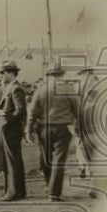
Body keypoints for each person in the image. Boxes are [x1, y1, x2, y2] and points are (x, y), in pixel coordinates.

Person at [26, 63, 80, 201]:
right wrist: (79, 127)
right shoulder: (68, 89)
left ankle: (50, 185)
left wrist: (29, 130)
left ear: (48, 76)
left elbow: (32, 112)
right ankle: (54, 192)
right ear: (61, 75)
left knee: (46, 159)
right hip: (63, 127)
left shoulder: (40, 90)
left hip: (43, 128)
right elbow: (78, 110)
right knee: (59, 161)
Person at [0, 60, 27, 201]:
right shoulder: (10, 88)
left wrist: (3, 114)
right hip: (8, 129)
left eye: (3, 73)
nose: (2, 76)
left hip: (11, 130)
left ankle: (12, 193)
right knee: (14, 160)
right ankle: (19, 191)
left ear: (11, 73)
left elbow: (20, 110)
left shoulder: (15, 88)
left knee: (10, 161)